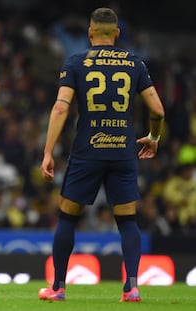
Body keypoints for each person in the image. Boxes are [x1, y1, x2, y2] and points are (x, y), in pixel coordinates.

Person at [38, 8, 164, 302]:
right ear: (117, 33)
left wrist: (47, 151)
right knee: (127, 221)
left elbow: (60, 108)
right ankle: (131, 287)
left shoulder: (76, 62)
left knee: (67, 218)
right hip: (122, 150)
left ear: (90, 32)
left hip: (87, 151)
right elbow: (157, 110)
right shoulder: (135, 63)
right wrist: (154, 137)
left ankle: (57, 287)